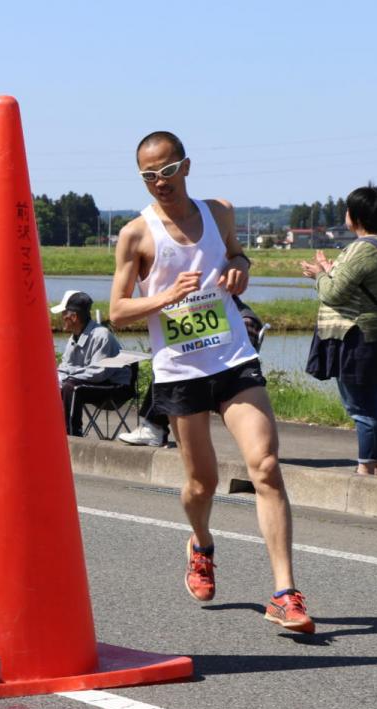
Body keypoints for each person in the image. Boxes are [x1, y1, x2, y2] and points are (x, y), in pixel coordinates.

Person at [109, 130, 313, 634]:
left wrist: (241, 268)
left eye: (167, 170)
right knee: (202, 484)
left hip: (233, 360)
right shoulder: (137, 234)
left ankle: (285, 592)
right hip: (179, 371)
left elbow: (238, 255)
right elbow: (116, 312)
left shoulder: (219, 212)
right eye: (148, 176)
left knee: (265, 466)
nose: (160, 182)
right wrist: (163, 298)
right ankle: (200, 544)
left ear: (186, 166)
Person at [300, 186, 377, 476]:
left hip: (358, 337)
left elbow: (333, 293)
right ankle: (374, 465)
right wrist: (330, 269)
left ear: (355, 216)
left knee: (361, 407)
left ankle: (366, 468)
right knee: (371, 403)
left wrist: (318, 274)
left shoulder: (363, 248)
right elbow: (351, 283)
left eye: (347, 210)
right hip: (373, 335)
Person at [120, 298, 265, 447]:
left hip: (224, 378)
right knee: (169, 370)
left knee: (176, 374)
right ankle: (153, 426)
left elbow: (240, 356)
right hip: (203, 371)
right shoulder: (208, 310)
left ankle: (153, 427)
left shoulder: (244, 319)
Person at [49, 290, 130, 436]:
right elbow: (66, 365)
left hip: (116, 386)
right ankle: (52, 431)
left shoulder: (101, 336)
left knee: (72, 387)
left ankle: (72, 434)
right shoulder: (74, 337)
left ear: (73, 317)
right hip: (93, 382)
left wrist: (67, 376)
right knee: (53, 384)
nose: (61, 318)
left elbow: (99, 373)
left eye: (63, 314)